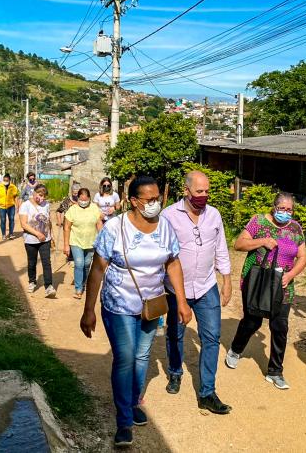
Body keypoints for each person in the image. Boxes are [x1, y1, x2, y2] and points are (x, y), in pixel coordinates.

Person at [80, 175, 192, 448]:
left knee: (142, 355)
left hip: (152, 304)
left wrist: (183, 300)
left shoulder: (165, 227)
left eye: (158, 199)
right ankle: (124, 420)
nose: (155, 204)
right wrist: (88, 310)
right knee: (126, 357)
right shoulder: (114, 229)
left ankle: (131, 402)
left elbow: (173, 263)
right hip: (118, 304)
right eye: (150, 199)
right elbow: (97, 268)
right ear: (133, 201)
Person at [161, 170, 233, 414]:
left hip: (206, 286)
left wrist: (227, 279)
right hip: (175, 290)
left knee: (212, 338)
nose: (204, 196)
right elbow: (161, 254)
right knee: (175, 334)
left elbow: (221, 247)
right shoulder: (168, 216)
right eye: (199, 191)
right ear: (186, 191)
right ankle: (175, 372)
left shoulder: (214, 215)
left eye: (206, 191)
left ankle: (207, 392)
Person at [225, 192, 306, 390]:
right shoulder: (258, 222)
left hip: (283, 286)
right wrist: (261, 241)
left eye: (290, 210)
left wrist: (290, 275)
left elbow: (303, 257)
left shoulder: (296, 228)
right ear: (274, 207)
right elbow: (239, 244)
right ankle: (236, 350)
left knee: (280, 328)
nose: (286, 213)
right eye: (282, 209)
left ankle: (275, 371)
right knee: (252, 321)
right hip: (257, 282)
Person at [63, 188, 102, 300]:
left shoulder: (94, 208)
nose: (83, 202)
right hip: (76, 241)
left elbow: (99, 224)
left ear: (89, 199)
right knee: (79, 263)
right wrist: (66, 245)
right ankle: (78, 289)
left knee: (86, 264)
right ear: (78, 198)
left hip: (91, 242)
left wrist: (102, 238)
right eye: (81, 199)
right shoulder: (72, 209)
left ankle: (83, 282)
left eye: (86, 200)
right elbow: (67, 227)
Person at [19, 183, 56, 298]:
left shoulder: (46, 205)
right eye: (40, 195)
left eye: (44, 196)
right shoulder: (25, 205)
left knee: (46, 262)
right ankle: (32, 281)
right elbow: (23, 224)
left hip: (45, 239)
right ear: (34, 192)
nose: (42, 198)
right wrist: (37, 234)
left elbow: (48, 221)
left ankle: (49, 286)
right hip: (30, 239)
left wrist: (52, 236)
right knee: (32, 262)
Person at [0, 173, 19, 240]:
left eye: (7, 180)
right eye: (4, 180)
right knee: (3, 220)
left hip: (11, 206)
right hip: (1, 207)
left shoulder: (13, 187)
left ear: (9, 180)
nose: (5, 181)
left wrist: (17, 206)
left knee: (11, 219)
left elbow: (15, 197)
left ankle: (11, 234)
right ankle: (3, 234)